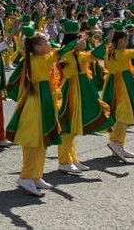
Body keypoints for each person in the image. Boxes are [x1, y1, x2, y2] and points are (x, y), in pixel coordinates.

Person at [7, 29, 62, 197]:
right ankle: (26, 176)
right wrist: (76, 43)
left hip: (43, 101)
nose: (49, 44)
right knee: (33, 139)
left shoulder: (37, 58)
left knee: (42, 140)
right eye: (46, 42)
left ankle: (36, 175)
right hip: (35, 103)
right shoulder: (38, 60)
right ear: (38, 48)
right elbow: (60, 53)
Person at [55, 20, 111, 174]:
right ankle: (64, 161)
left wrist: (106, 40)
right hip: (69, 90)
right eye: (79, 38)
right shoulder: (66, 54)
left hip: (81, 89)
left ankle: (72, 158)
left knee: (73, 127)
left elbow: (94, 55)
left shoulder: (79, 54)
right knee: (67, 126)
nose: (83, 41)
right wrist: (75, 44)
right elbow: (60, 55)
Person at [95, 23, 134, 162]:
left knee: (118, 113)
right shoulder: (122, 53)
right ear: (120, 40)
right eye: (125, 40)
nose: (127, 42)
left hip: (113, 83)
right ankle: (116, 142)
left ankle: (118, 145)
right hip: (121, 84)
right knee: (123, 113)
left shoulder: (109, 51)